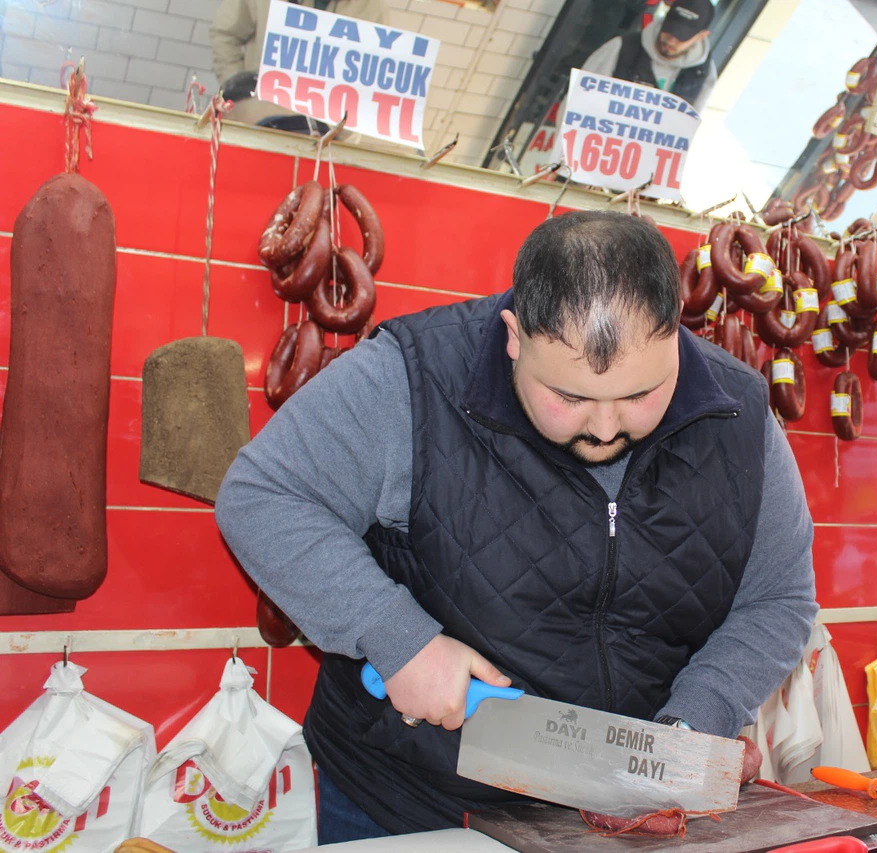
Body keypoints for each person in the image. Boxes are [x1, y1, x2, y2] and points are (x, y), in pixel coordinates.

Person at [215, 211, 818, 841]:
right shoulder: (414, 378)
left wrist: (693, 728)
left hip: (632, 816)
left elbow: (777, 596)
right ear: (514, 337)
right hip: (407, 803)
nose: (607, 428)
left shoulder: (739, 412)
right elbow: (264, 494)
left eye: (641, 396)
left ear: (676, 339)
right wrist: (396, 639)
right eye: (572, 397)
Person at [581, 0, 720, 113]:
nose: (671, 41)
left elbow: (688, 127)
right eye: (669, 30)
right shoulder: (622, 47)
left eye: (682, 36)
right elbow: (580, 99)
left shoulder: (703, 73)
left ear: (701, 36)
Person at [210, 0, 388, 87]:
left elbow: (373, 73)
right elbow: (225, 34)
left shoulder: (371, 6)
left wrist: (342, 128)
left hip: (325, 137)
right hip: (257, 120)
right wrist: (237, 89)